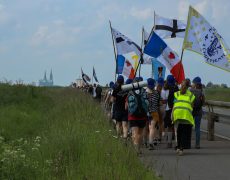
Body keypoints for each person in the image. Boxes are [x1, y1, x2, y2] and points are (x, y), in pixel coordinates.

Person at [126, 77, 148, 155]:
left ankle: (136, 149)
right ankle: (139, 148)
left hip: (133, 116)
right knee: (140, 133)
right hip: (143, 116)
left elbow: (127, 106)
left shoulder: (130, 92)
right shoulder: (145, 92)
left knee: (134, 133)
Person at [172, 80, 195, 155]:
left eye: (182, 85)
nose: (181, 86)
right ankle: (180, 147)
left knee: (181, 132)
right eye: (182, 85)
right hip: (182, 116)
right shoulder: (189, 95)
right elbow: (192, 106)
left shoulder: (180, 94)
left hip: (181, 115)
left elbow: (174, 105)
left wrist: (172, 114)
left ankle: (179, 147)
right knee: (181, 133)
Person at [164, 75, 179, 148]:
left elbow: (166, 100)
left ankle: (169, 142)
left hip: (169, 109)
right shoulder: (177, 89)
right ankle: (177, 143)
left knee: (169, 127)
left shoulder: (166, 89)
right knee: (176, 127)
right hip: (176, 109)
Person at [190, 77, 205, 149]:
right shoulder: (201, 92)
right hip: (199, 111)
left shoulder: (190, 91)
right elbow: (203, 103)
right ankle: (197, 144)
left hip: (191, 111)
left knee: (189, 127)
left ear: (194, 83)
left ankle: (188, 143)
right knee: (197, 128)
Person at [146, 78, 160, 150]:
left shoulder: (145, 93)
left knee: (147, 128)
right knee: (152, 128)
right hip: (154, 112)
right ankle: (150, 143)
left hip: (146, 112)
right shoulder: (156, 93)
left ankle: (145, 142)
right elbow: (158, 102)